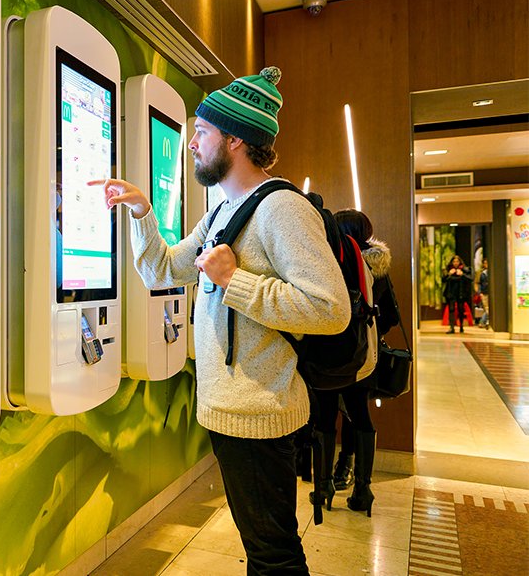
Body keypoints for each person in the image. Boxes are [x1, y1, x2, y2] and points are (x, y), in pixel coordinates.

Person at [90, 67, 351, 575]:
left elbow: (331, 308)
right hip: (231, 413)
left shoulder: (282, 209)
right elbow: (164, 269)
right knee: (264, 551)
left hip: (260, 416)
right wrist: (143, 212)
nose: (191, 143)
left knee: (274, 556)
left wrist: (237, 282)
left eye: (202, 132)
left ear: (235, 139)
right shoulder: (220, 213)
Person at [309, 209, 401, 517]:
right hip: (363, 358)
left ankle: (323, 488)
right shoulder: (377, 267)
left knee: (324, 418)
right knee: (360, 416)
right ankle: (363, 489)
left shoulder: (325, 261)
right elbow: (388, 316)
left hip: (324, 355)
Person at [443, 255, 473, 334]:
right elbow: (443, 280)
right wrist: (449, 274)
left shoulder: (465, 270)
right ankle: (452, 327)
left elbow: (470, 279)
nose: (455, 263)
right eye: (454, 262)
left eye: (457, 262)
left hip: (461, 292)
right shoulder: (448, 269)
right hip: (451, 292)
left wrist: (462, 274)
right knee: (451, 309)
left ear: (460, 262)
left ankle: (461, 326)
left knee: (460, 309)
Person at [477, 259, 490, 328]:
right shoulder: (483, 273)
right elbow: (479, 283)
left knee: (488, 309)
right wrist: (480, 292)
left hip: (489, 292)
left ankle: (484, 321)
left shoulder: (491, 273)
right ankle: (483, 321)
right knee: (487, 309)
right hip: (484, 293)